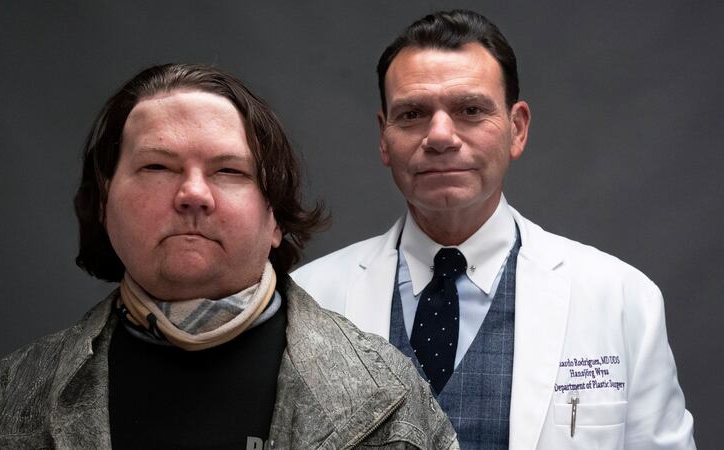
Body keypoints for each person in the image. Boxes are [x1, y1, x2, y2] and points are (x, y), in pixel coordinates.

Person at [0, 64, 458, 449]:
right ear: (104, 203)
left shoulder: (390, 400)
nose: (193, 194)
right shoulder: (6, 406)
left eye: (228, 172)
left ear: (275, 217)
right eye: (156, 167)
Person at [293, 9, 695, 449]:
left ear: (517, 129)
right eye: (412, 113)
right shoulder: (309, 300)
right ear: (384, 137)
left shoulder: (621, 300)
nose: (441, 135)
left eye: (469, 110)